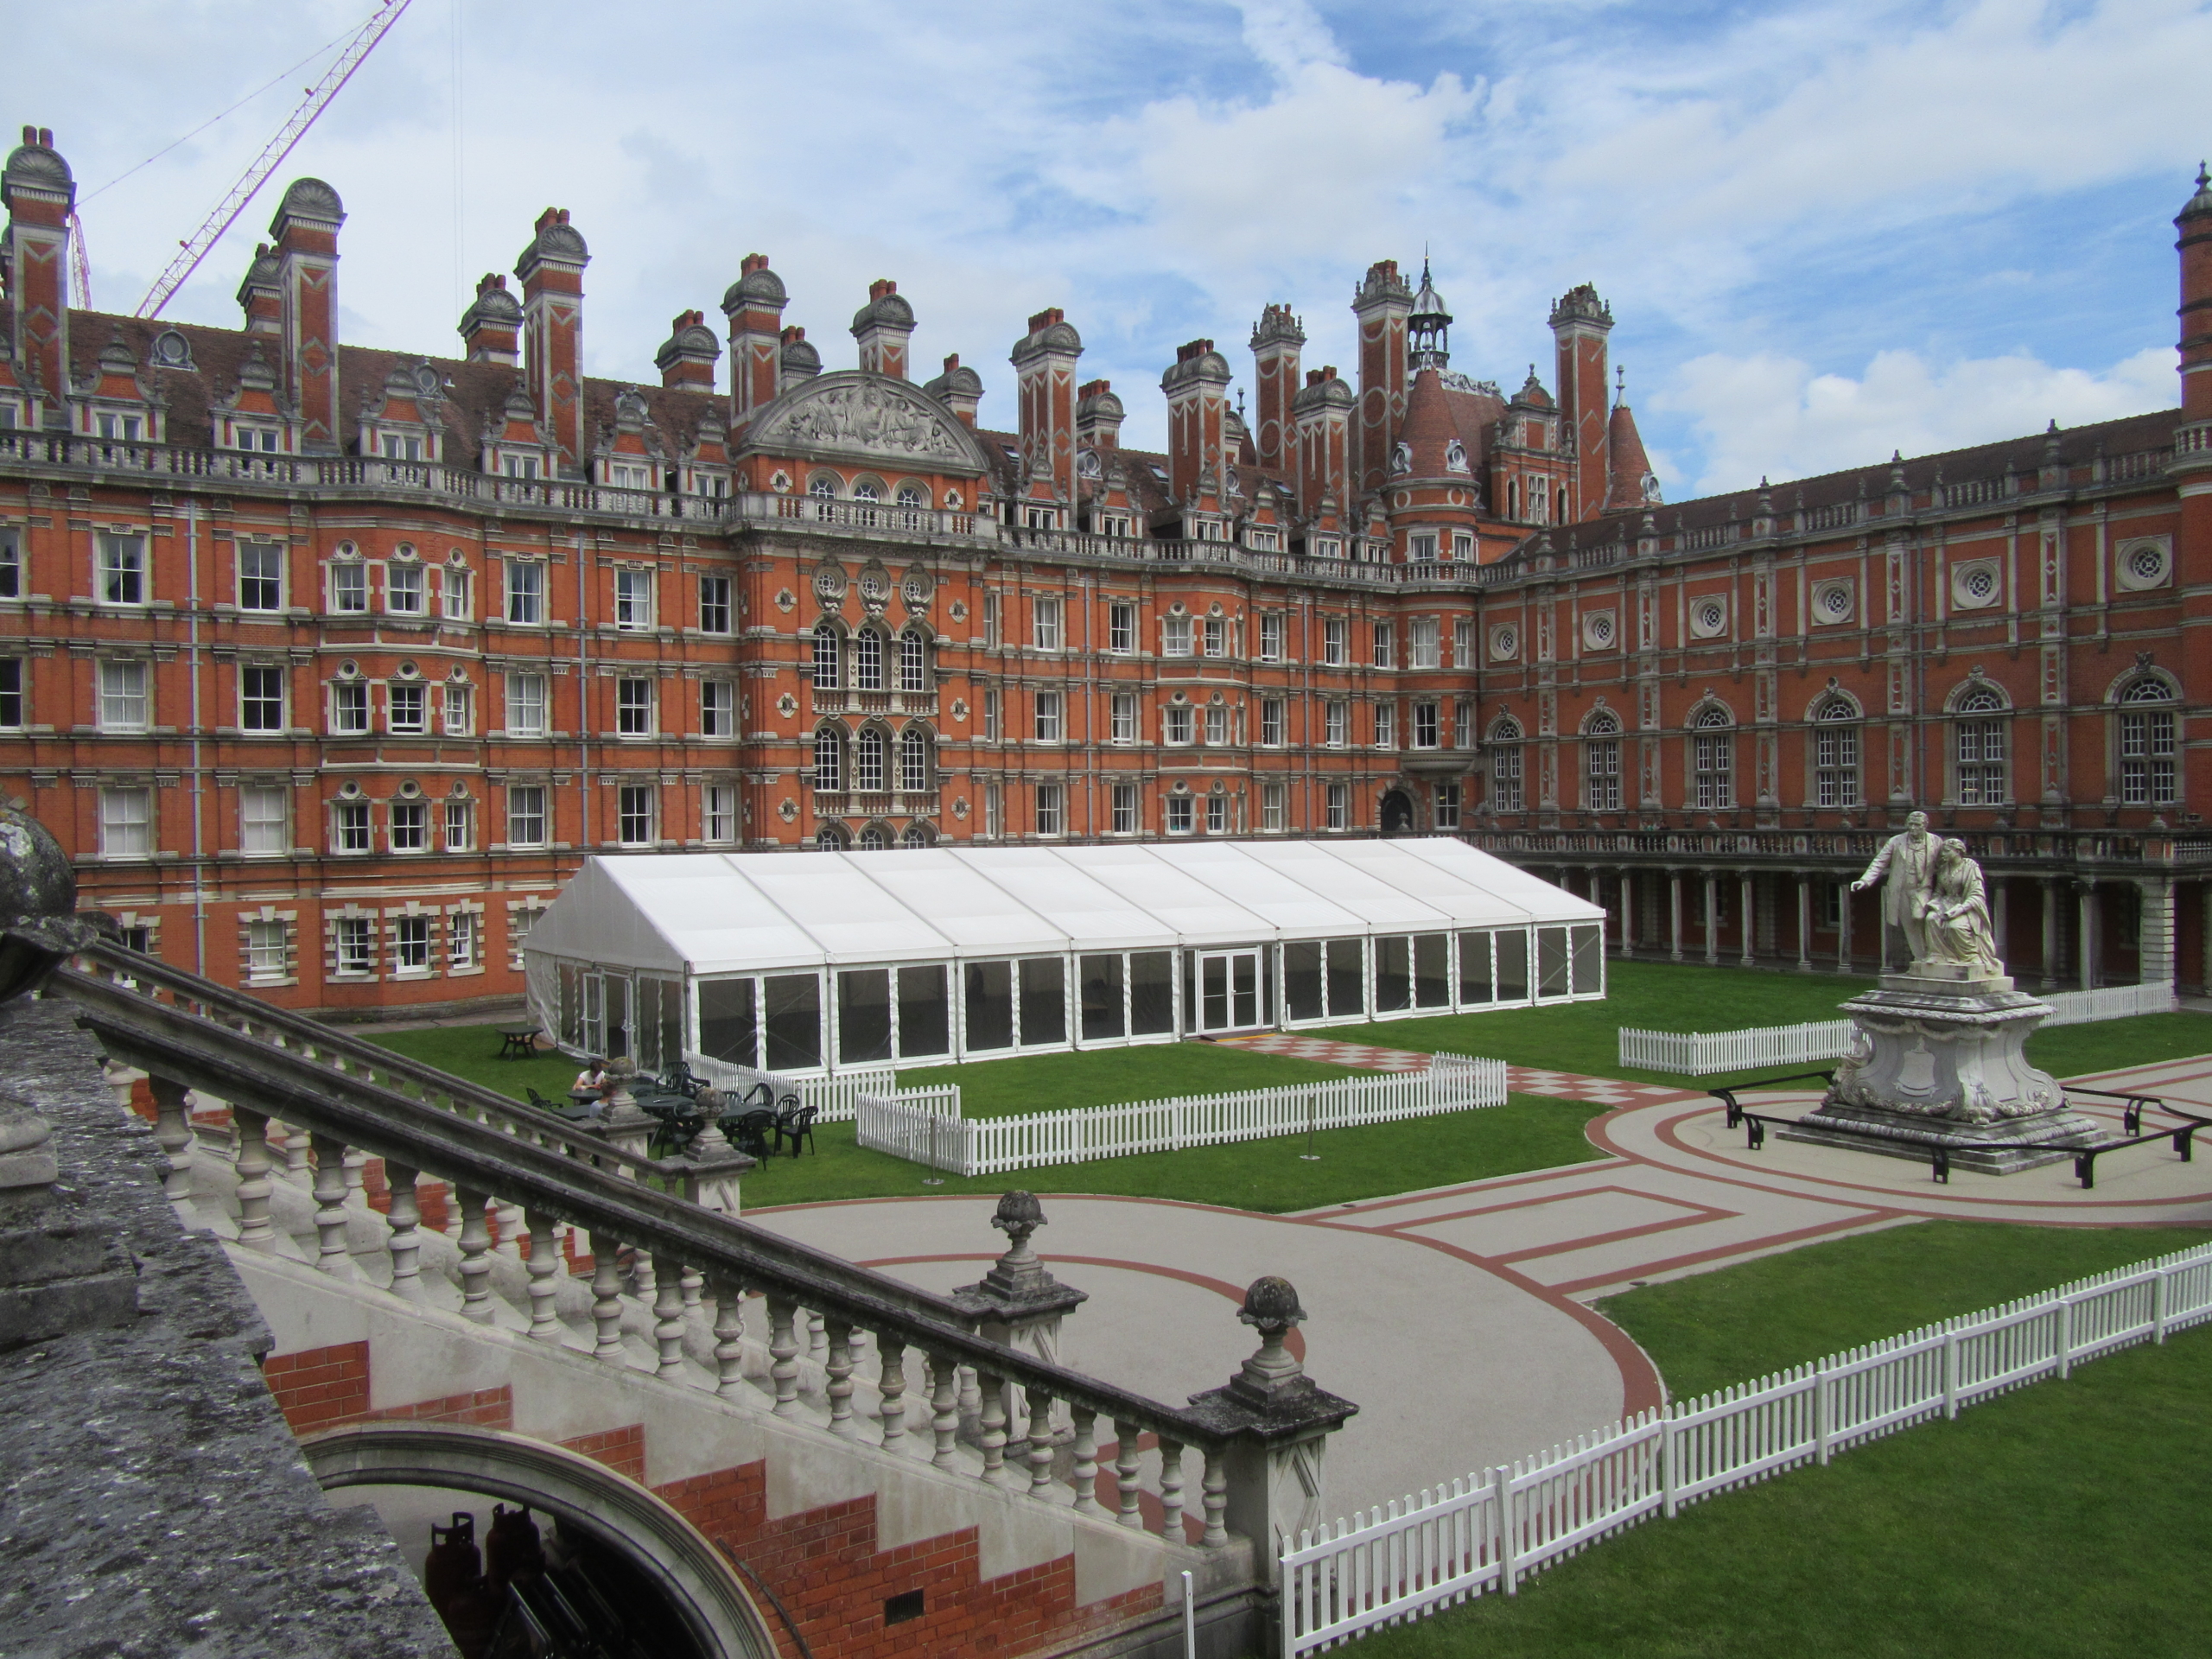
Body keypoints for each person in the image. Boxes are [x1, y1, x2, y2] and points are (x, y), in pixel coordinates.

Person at [1852, 810, 1941, 964]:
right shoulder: (1896, 841)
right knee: (1910, 926)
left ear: (1925, 826)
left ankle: (1934, 953)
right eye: (1910, 825)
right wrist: (1865, 880)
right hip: (1902, 889)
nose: (1913, 828)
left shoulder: (1936, 841)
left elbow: (1944, 863)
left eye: (1917, 825)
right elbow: (1880, 861)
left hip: (1923, 889)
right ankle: (1921, 959)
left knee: (1922, 917)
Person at [1925, 838, 2004, 977]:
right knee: (1931, 919)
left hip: (1967, 907)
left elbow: (1977, 894)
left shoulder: (1971, 867)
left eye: (1947, 851)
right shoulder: (1944, 868)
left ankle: (1971, 956)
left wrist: (1960, 909)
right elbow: (1938, 892)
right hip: (1945, 904)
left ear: (1958, 851)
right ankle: (1938, 954)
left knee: (1955, 927)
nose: (1943, 854)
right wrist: (1935, 904)